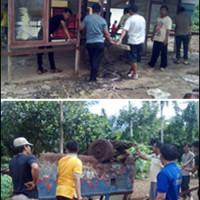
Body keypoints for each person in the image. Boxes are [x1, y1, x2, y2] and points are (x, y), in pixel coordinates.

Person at [78, 3, 114, 82]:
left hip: (90, 43)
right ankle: (93, 78)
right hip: (99, 43)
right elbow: (106, 33)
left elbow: (80, 28)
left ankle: (93, 75)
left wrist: (78, 19)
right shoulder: (102, 20)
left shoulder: (87, 18)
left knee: (92, 59)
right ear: (99, 10)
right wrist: (111, 41)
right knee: (96, 60)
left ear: (92, 9)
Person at [37, 8, 73, 75]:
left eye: (68, 16)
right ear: (64, 13)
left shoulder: (57, 17)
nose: (67, 17)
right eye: (67, 15)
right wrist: (70, 38)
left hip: (43, 33)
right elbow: (65, 28)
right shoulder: (60, 17)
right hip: (44, 34)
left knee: (41, 51)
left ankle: (41, 68)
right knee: (47, 51)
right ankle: (51, 68)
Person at [116, 5, 146, 80]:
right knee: (136, 58)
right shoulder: (142, 18)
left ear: (130, 11)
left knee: (133, 59)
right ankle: (131, 71)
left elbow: (124, 30)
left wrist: (120, 39)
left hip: (133, 41)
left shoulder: (130, 19)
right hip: (141, 41)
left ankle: (135, 74)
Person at [148, 6, 172, 71]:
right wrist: (152, 35)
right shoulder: (158, 19)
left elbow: (168, 30)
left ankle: (163, 65)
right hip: (157, 37)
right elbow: (155, 27)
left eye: (164, 10)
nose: (162, 11)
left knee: (163, 53)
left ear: (166, 11)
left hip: (163, 39)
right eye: (161, 10)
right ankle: (152, 63)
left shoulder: (168, 19)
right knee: (155, 52)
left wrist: (166, 39)